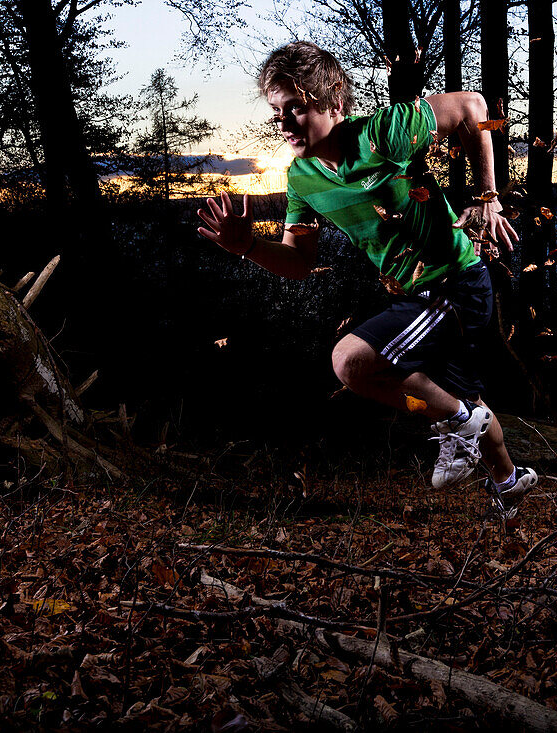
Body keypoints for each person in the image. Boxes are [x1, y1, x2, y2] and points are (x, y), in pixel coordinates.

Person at [196, 41, 537, 517]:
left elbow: (473, 107)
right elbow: (297, 262)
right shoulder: (301, 179)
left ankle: (460, 424)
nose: (283, 121)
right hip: (418, 292)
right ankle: (508, 480)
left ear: (334, 102)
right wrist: (247, 247)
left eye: (296, 107)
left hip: (454, 282)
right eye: (276, 110)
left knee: (349, 363)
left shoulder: (383, 132)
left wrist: (488, 195)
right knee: (464, 401)